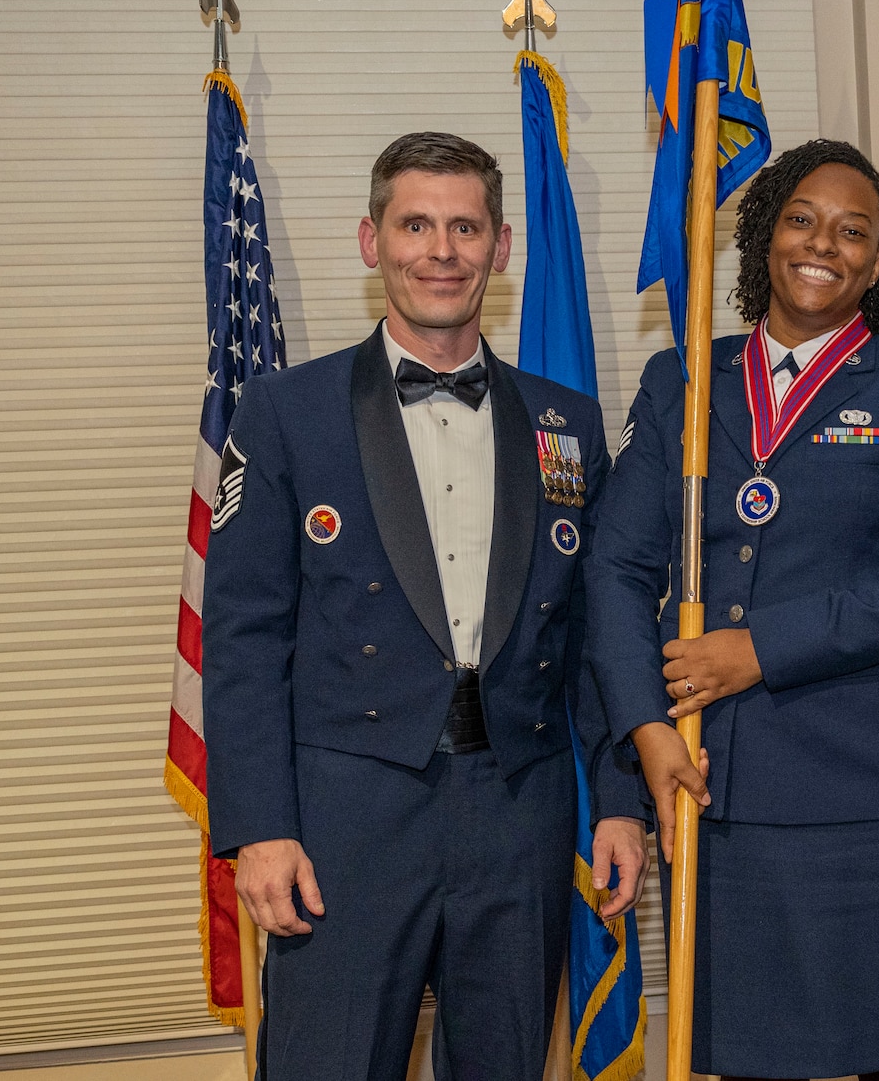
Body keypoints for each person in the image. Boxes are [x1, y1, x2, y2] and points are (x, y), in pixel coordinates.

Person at [201, 131, 651, 1081]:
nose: (440, 250)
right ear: (372, 241)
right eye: (415, 224)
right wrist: (260, 827)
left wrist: (618, 801)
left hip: (516, 812)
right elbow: (242, 638)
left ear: (502, 244)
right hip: (345, 817)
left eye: (464, 226)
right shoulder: (286, 413)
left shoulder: (566, 422)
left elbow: (593, 635)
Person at [586, 138, 879, 1081]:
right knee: (742, 1059)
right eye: (803, 218)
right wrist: (645, 730)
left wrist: (758, 648)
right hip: (725, 791)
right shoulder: (684, 379)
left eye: (855, 231)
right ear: (765, 234)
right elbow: (614, 571)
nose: (826, 244)